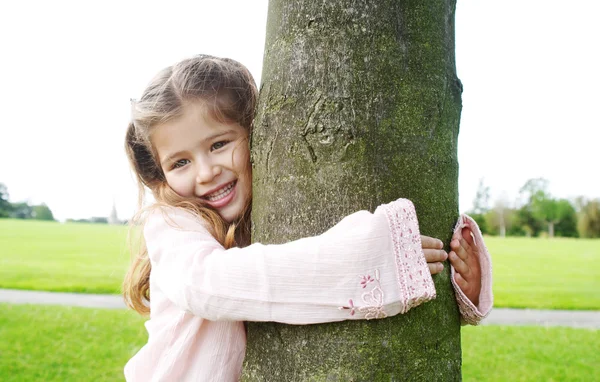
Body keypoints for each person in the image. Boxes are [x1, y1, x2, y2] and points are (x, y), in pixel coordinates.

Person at [122, 54, 493, 381]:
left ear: (258, 135)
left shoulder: (264, 215)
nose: (205, 172)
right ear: (161, 173)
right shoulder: (172, 223)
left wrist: (463, 287)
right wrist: (368, 259)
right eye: (180, 162)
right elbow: (207, 285)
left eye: (219, 144)